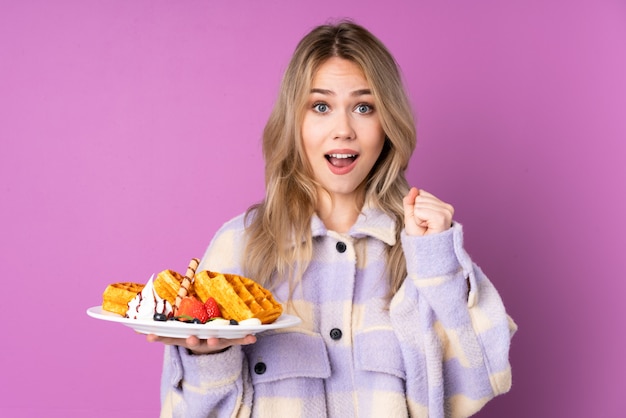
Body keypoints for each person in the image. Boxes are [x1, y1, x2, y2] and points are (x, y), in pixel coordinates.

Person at [148, 20, 516, 418]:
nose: (343, 130)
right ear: (295, 122)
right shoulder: (240, 246)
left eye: (363, 107)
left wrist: (436, 263)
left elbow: (476, 385)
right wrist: (211, 360)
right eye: (320, 106)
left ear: (387, 123)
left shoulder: (422, 248)